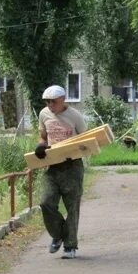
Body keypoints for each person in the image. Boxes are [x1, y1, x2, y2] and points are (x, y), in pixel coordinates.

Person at [34, 85, 88, 259]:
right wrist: (41, 146)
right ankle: (58, 235)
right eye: (47, 102)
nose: (50, 105)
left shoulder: (75, 116)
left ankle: (70, 246)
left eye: (54, 102)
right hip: (52, 166)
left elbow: (86, 139)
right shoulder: (44, 114)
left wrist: (74, 150)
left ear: (63, 99)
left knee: (72, 207)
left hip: (72, 166)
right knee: (45, 202)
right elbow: (43, 136)